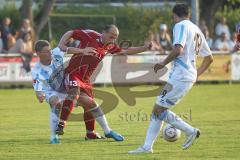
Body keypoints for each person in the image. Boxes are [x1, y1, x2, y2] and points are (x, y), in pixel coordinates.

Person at [129, 4, 213, 154]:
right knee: (158, 109)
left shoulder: (180, 25)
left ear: (174, 15)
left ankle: (190, 131)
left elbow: (178, 49)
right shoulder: (196, 29)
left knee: (158, 109)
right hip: (185, 75)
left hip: (181, 75)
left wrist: (162, 63)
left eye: (172, 16)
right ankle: (147, 147)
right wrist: (195, 75)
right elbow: (209, 58)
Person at [55, 24, 153, 141]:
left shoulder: (110, 46)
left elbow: (125, 51)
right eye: (112, 36)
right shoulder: (91, 35)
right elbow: (72, 32)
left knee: (89, 106)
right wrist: (62, 44)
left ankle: (90, 133)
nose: (114, 39)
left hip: (86, 80)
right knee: (74, 94)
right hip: (73, 73)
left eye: (116, 37)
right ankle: (61, 124)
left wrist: (144, 48)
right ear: (104, 33)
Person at [31, 40, 103, 144]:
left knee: (90, 102)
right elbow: (38, 91)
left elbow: (68, 49)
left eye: (50, 50)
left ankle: (94, 132)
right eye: (46, 52)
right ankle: (54, 137)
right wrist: (40, 95)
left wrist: (82, 50)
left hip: (65, 88)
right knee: (56, 103)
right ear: (38, 53)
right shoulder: (36, 70)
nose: (50, 53)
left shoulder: (56, 53)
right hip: (51, 91)